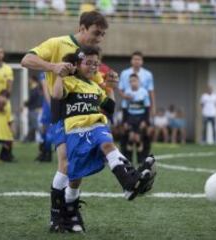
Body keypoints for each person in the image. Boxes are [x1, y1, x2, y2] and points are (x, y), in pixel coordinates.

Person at [21, 10, 114, 232]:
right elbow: (26, 60)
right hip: (62, 109)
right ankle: (56, 217)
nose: (99, 38)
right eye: (96, 33)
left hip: (85, 112)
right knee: (66, 163)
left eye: (102, 35)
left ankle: (70, 213)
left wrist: (108, 83)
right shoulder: (57, 43)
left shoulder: (90, 54)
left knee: (77, 170)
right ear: (82, 28)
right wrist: (53, 67)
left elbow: (96, 84)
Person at [52, 47, 156, 232]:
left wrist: (110, 88)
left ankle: (129, 183)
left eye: (96, 64)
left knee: (108, 144)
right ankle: (69, 212)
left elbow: (108, 107)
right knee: (75, 178)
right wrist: (60, 75)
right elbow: (57, 95)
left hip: (97, 125)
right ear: (77, 64)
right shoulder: (69, 81)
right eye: (88, 63)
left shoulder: (94, 86)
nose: (93, 67)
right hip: (76, 131)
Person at [119, 51, 156, 163]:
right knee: (126, 133)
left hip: (143, 108)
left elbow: (151, 91)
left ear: (142, 61)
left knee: (144, 133)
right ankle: (126, 158)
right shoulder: (125, 73)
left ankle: (143, 158)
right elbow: (120, 89)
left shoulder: (148, 74)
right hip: (128, 108)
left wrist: (153, 107)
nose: (136, 61)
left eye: (139, 59)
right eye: (134, 59)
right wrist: (125, 96)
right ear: (131, 60)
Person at [122, 73, 150, 163]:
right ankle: (129, 159)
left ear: (138, 81)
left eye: (134, 81)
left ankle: (140, 159)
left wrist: (145, 121)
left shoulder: (144, 92)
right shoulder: (127, 92)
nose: (132, 83)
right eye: (130, 81)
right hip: (130, 117)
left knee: (137, 138)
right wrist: (124, 121)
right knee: (130, 138)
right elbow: (124, 108)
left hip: (140, 118)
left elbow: (147, 108)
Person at [24, 75, 43, 142]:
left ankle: (44, 137)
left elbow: (33, 99)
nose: (29, 81)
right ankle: (29, 139)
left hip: (34, 109)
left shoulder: (36, 89)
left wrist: (25, 104)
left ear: (33, 80)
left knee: (35, 125)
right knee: (32, 125)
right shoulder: (36, 88)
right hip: (33, 109)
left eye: (30, 79)